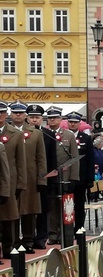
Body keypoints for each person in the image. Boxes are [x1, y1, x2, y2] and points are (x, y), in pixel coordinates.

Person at [9, 102, 46, 253]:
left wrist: (41, 179)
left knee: (30, 210)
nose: (18, 115)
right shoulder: (5, 132)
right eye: (15, 112)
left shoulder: (35, 133)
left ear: (26, 115)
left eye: (21, 112)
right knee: (11, 210)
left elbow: (41, 158)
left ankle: (28, 240)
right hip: (11, 177)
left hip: (30, 177)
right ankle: (13, 241)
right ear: (11, 114)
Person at [45, 107, 78, 245]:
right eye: (50, 118)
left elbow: (75, 158)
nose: (52, 120)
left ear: (60, 119)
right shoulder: (44, 134)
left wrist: (74, 178)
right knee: (51, 208)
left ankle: (65, 233)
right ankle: (53, 235)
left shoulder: (68, 135)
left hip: (64, 177)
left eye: (55, 118)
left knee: (66, 207)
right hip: (48, 176)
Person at [27, 104, 55, 249]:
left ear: (42, 119)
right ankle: (29, 238)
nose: (34, 120)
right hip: (28, 178)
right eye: (32, 118)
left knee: (43, 210)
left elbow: (52, 159)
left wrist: (51, 178)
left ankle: (41, 238)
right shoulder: (23, 134)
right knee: (30, 210)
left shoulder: (48, 135)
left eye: (37, 118)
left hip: (45, 178)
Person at [0, 102, 26, 258]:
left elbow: (21, 161)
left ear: (6, 115)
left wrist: (21, 184)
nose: (0, 116)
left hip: (9, 180)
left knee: (8, 217)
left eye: (2, 113)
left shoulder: (15, 133)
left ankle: (9, 247)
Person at [65, 112, 94, 231]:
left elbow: (90, 159)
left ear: (79, 123)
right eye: (71, 122)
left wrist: (90, 178)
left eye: (75, 122)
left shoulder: (85, 138)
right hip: (66, 177)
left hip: (81, 178)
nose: (73, 124)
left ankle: (79, 227)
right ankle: (66, 229)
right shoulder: (62, 136)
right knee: (66, 204)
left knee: (79, 205)